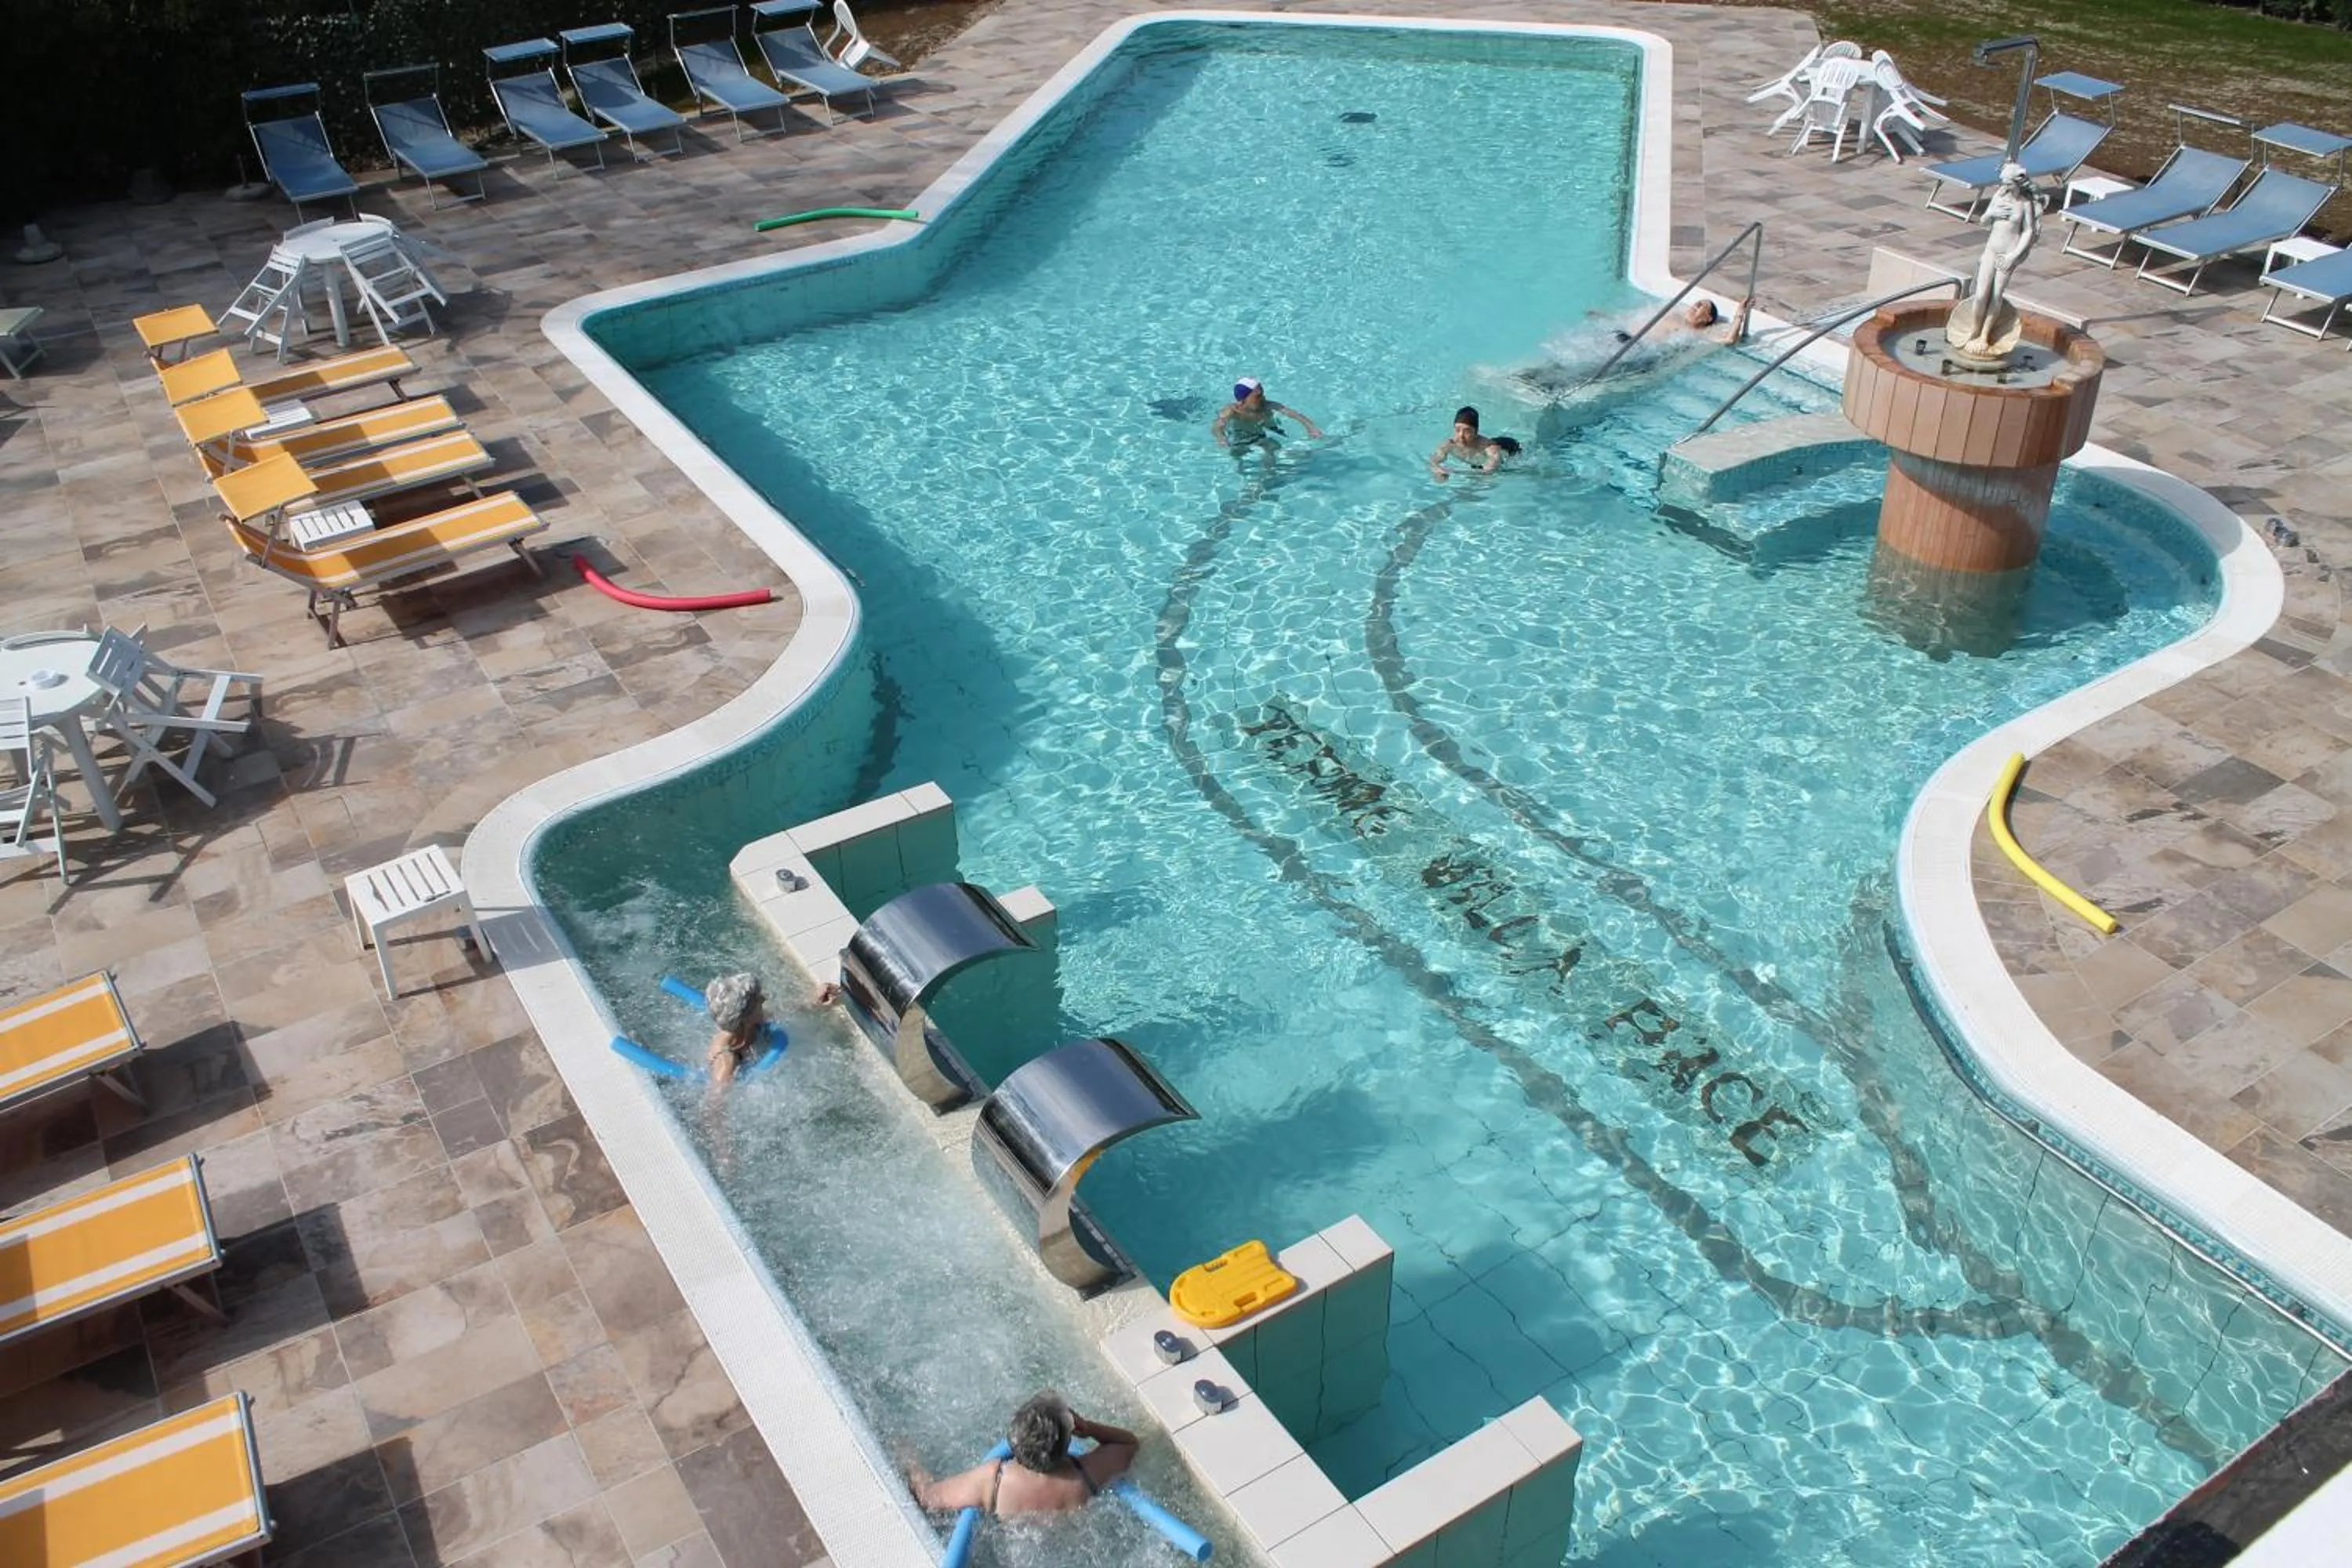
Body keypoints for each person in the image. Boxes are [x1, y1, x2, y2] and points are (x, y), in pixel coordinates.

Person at [907, 1392, 1140, 1517]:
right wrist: (1089, 1428)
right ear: (1068, 1440)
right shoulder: (1086, 1475)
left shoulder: (992, 1483)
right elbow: (1129, 1443)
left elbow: (927, 1498)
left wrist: (909, 1459)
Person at [703, 971, 838, 1091]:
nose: (764, 999)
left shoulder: (747, 1024)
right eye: (758, 1000)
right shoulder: (726, 1063)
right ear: (747, 1017)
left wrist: (814, 1000)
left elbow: (782, 1011)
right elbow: (713, 1112)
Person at [1212, 376, 1324, 452]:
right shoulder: (1232, 411)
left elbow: (1293, 414)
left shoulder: (1266, 405)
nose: (1263, 398)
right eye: (1258, 396)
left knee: (1273, 447)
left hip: (1262, 432)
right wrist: (1221, 438)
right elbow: (1218, 426)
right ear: (1242, 400)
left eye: (1263, 393)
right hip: (1240, 436)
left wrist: (1311, 427)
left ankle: (1269, 475)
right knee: (1238, 454)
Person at [1428, 406, 1522, 481]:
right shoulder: (1449, 445)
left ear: (1476, 432)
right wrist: (1438, 470)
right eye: (1457, 430)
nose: (1461, 435)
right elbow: (1434, 461)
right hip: (1479, 460)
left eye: (1467, 431)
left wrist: (1456, 472)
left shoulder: (1488, 447)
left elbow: (1490, 470)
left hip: (1509, 447)